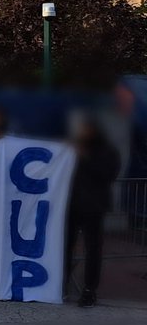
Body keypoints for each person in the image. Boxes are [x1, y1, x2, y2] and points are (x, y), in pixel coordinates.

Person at [65, 117, 121, 307]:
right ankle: (62, 285)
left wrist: (86, 157)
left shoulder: (107, 151)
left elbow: (108, 174)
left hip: (94, 207)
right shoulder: (72, 149)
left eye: (87, 129)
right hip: (72, 206)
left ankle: (89, 289)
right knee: (66, 246)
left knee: (93, 249)